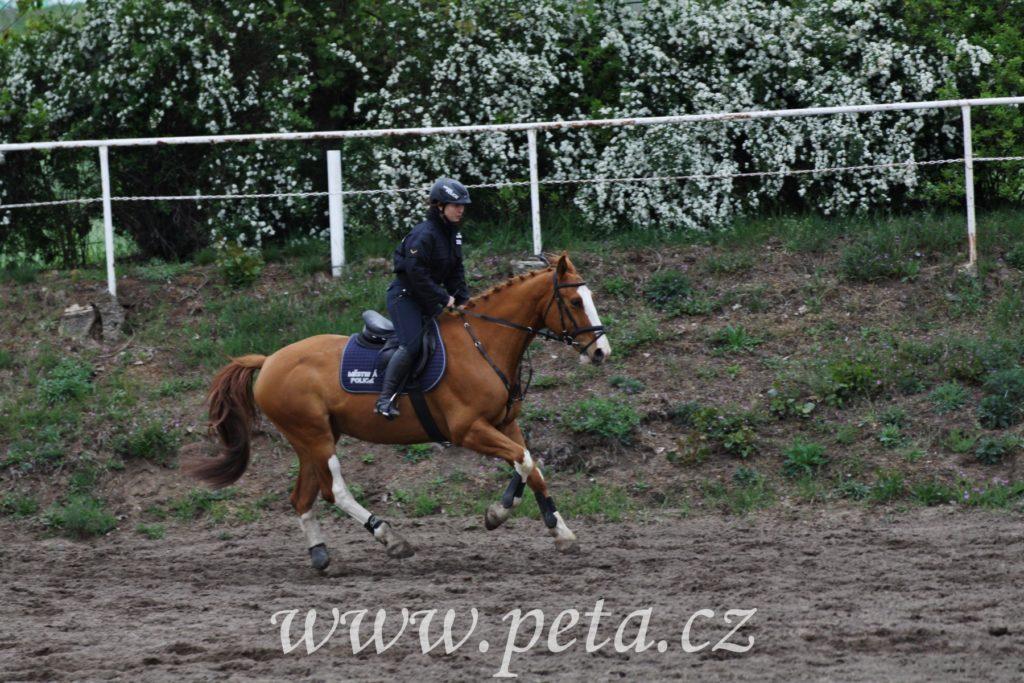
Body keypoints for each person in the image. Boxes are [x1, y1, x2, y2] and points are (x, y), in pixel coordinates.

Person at [375, 177, 472, 419]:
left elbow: (456, 272)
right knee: (412, 345)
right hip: (405, 297)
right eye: (455, 205)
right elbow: (415, 272)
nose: (460, 210)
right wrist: (442, 297)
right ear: (439, 205)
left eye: (462, 205)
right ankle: (385, 399)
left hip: (427, 299)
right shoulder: (423, 234)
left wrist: (464, 300)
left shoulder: (453, 235)